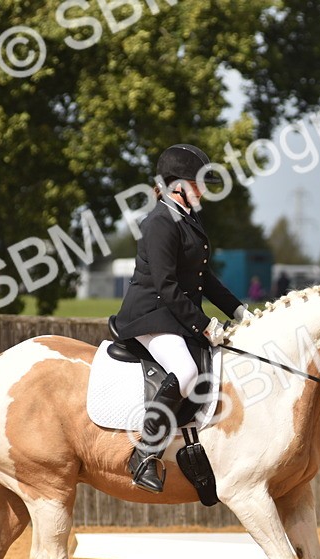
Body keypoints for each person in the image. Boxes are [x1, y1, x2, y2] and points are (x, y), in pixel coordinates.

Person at [109, 144, 250, 493]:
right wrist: (203, 324)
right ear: (177, 184)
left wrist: (239, 312)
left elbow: (206, 279)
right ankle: (144, 453)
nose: (202, 190)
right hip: (149, 315)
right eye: (198, 182)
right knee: (186, 373)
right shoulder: (159, 221)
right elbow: (166, 285)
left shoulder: (187, 216)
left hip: (172, 314)